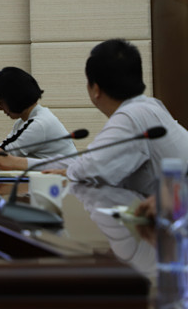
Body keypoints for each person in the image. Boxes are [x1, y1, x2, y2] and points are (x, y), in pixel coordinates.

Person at [49, 39, 188, 195]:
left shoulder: (131, 116)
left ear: (96, 89)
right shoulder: (150, 105)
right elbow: (90, 161)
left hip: (177, 207)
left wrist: (70, 172)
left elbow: (91, 168)